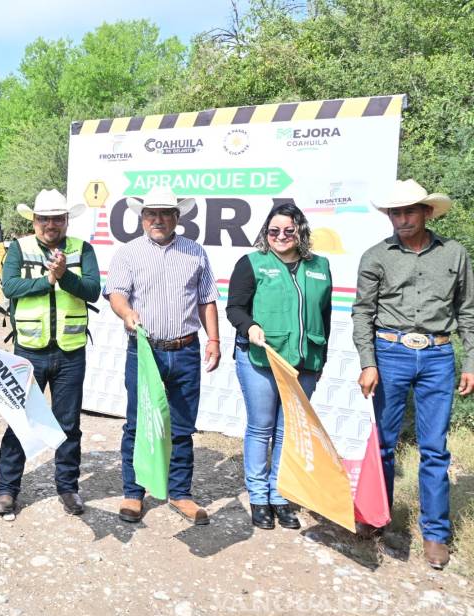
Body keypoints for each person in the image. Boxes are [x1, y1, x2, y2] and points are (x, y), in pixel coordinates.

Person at [353, 179, 474, 570]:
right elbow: (363, 313)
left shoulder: (454, 254)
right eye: (395, 213)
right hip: (390, 353)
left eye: (409, 211)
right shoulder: (376, 256)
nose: (402, 219)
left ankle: (435, 534)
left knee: (435, 448)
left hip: (438, 355)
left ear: (426, 212)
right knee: (384, 443)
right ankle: (376, 516)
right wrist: (368, 362)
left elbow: (468, 312)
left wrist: (471, 361)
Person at [105, 186, 220, 526]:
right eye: (151, 214)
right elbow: (116, 295)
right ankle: (133, 492)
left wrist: (213, 338)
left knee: (182, 427)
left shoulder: (195, 252)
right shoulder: (128, 254)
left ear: (177, 218)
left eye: (165, 214)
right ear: (142, 218)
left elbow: (207, 299)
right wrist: (127, 314)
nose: (157, 220)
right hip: (145, 351)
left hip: (185, 350)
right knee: (139, 424)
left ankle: (180, 493)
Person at [0, 189, 101, 517]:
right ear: (34, 220)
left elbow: (93, 290)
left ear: (67, 220)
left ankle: (68, 488)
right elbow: (9, 288)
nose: (50, 224)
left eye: (57, 218)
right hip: (29, 351)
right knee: (20, 420)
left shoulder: (82, 249)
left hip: (70, 353)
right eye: (44, 218)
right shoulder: (19, 248)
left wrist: (65, 275)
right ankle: (7, 490)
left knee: (68, 423)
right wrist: (48, 279)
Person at [226, 203, 332, 531]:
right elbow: (234, 309)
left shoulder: (320, 266)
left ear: (300, 230)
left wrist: (321, 357)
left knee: (289, 434)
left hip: (304, 363)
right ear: (265, 233)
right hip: (260, 359)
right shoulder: (252, 263)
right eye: (274, 231)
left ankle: (280, 495)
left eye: (289, 230)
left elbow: (325, 316)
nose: (281, 236)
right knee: (262, 427)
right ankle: (259, 497)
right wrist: (249, 327)